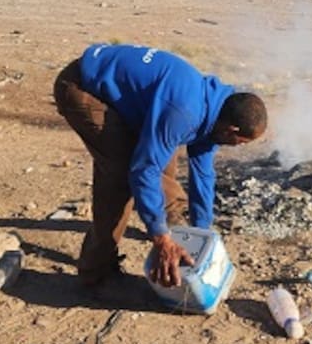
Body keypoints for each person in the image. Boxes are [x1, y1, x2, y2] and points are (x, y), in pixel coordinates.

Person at [54, 43, 266, 288]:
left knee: (163, 156)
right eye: (241, 142)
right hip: (83, 86)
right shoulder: (186, 112)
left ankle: (175, 231)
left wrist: (203, 234)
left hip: (126, 95)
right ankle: (97, 273)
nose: (239, 146)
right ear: (232, 130)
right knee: (122, 174)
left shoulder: (216, 112)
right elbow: (143, 170)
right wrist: (160, 238)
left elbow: (203, 175)